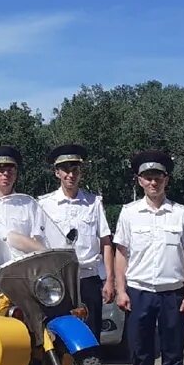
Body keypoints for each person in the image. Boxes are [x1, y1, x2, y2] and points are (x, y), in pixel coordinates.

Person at [113, 149, 184, 365]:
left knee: (174, 354)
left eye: (158, 177)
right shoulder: (129, 213)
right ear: (139, 181)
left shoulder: (181, 213)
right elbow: (121, 253)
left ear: (167, 180)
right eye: (148, 178)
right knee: (141, 354)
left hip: (173, 293)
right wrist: (120, 289)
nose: (153, 183)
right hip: (139, 292)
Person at [37, 143, 114, 341]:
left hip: (88, 278)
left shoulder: (93, 202)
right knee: (59, 336)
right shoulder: (44, 204)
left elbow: (105, 241)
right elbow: (37, 243)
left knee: (92, 337)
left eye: (75, 170)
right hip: (58, 281)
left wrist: (110, 280)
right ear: (57, 173)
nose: (70, 175)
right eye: (65, 170)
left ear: (80, 173)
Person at [0, 145, 46, 270]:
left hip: (23, 274)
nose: (6, 174)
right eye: (0, 170)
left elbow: (38, 240)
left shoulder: (29, 204)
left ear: (16, 172)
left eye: (10, 169)